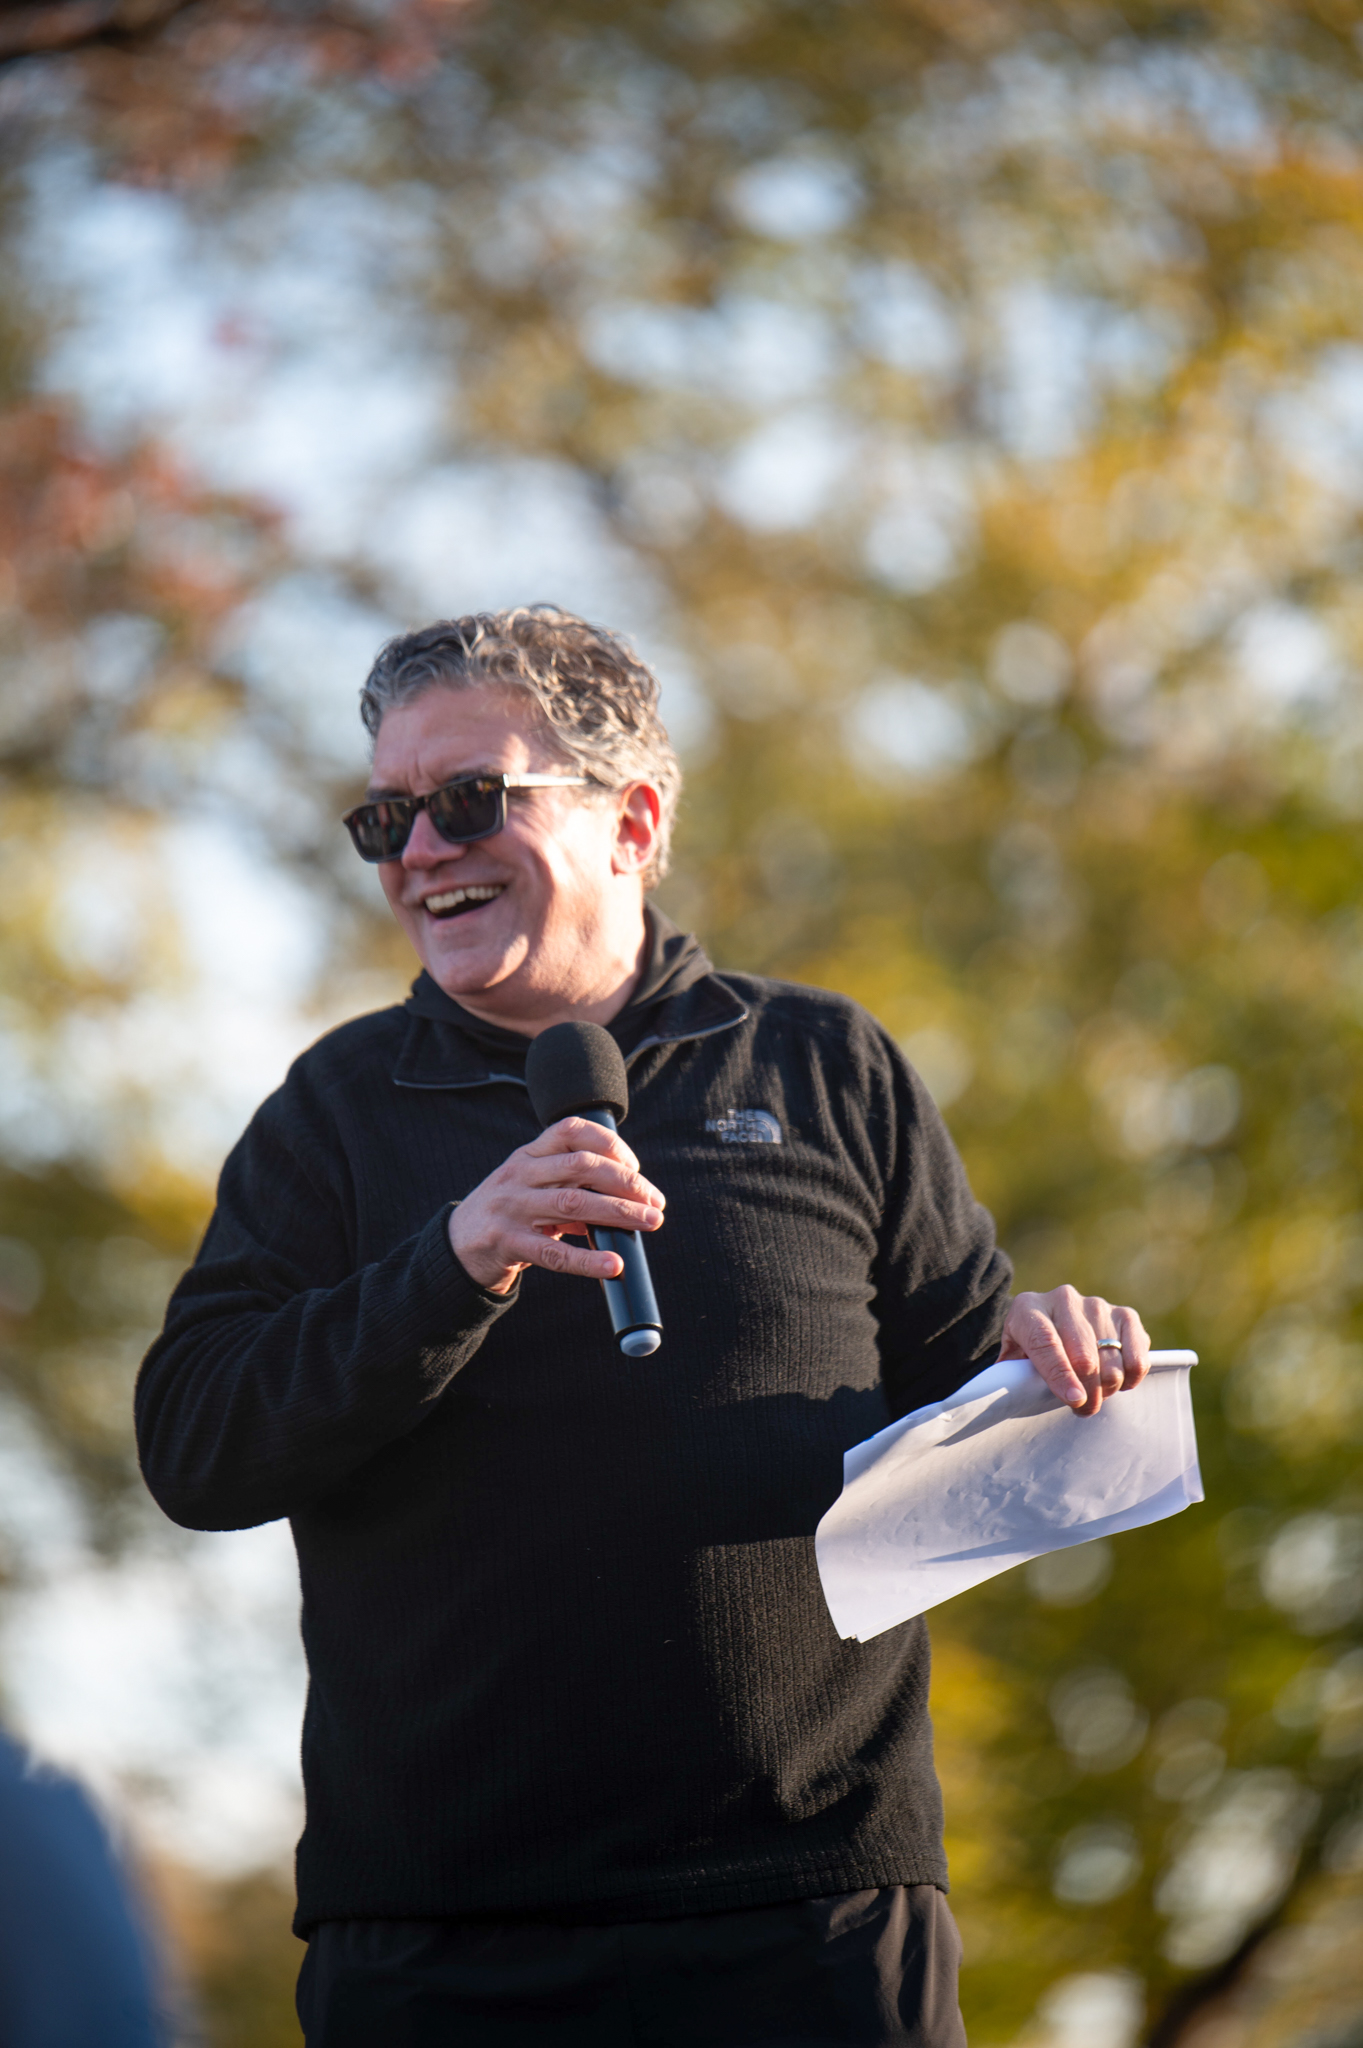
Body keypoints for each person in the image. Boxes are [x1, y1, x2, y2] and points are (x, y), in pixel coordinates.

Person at [135, 606, 1150, 2048]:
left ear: (633, 819)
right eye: (388, 818)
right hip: (441, 1944)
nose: (422, 849)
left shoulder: (825, 1063)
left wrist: (1041, 1356)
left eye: (472, 799)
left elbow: (963, 1406)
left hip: (808, 1922)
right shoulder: (335, 1113)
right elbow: (195, 1444)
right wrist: (453, 1262)